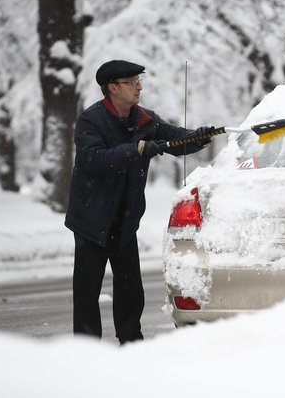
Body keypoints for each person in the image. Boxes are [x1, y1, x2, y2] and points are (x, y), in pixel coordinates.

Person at [65, 59, 214, 344]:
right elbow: (94, 159)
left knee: (131, 291)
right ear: (112, 88)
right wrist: (137, 149)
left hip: (124, 220)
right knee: (86, 293)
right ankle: (85, 352)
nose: (139, 87)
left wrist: (199, 137)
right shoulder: (91, 121)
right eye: (132, 82)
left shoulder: (144, 119)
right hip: (91, 221)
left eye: (139, 81)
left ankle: (132, 345)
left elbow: (176, 139)